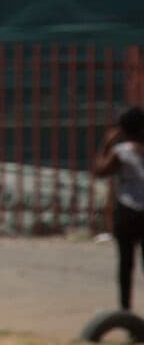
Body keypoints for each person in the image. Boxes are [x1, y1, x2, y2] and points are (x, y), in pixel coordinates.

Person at [94, 105, 144, 309]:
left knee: (126, 265)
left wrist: (106, 144)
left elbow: (100, 171)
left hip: (128, 211)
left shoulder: (120, 152)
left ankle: (126, 312)